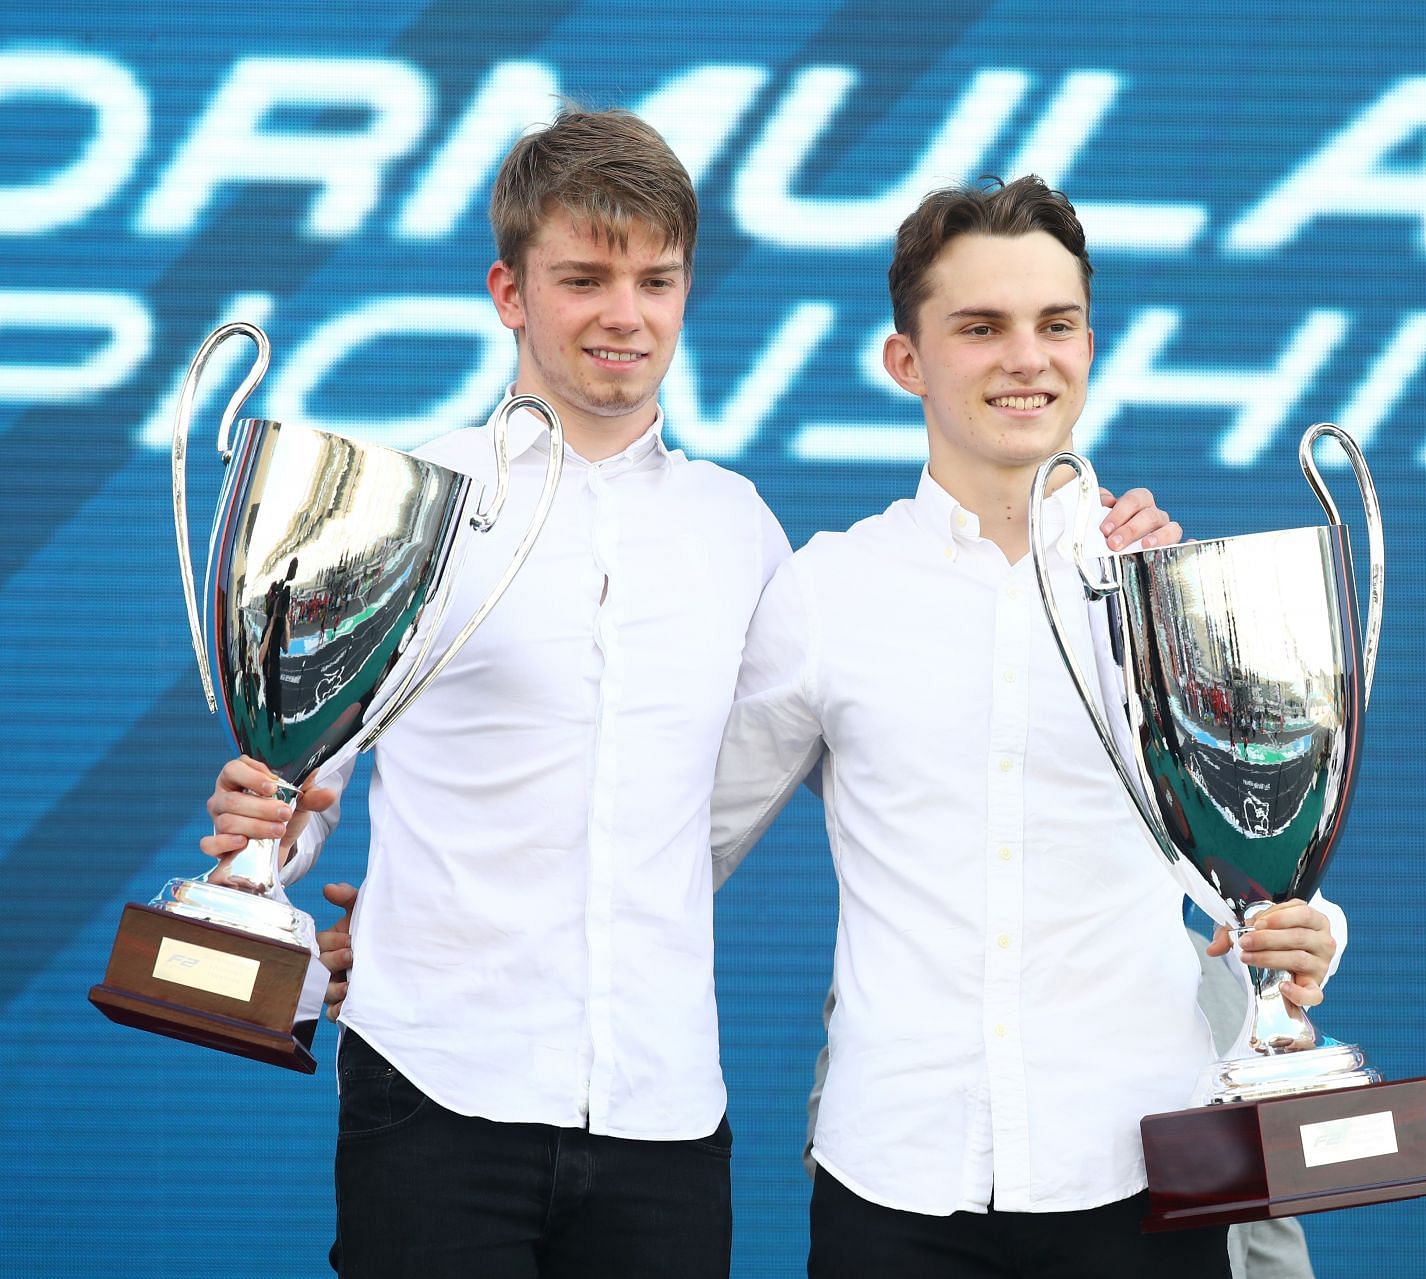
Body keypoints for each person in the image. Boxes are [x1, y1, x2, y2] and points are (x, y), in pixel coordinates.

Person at [201, 111, 1179, 1279]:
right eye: (585, 279)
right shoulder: (410, 501)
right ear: (509, 292)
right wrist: (272, 849)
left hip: (664, 1122)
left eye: (656, 279)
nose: (626, 313)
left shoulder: (745, 535)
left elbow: (709, 816)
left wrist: (1109, 556)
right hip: (434, 1084)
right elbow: (310, 763)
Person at [705, 176, 1347, 1278]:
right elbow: (677, 844)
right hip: (897, 1179)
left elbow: (1251, 870)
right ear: (907, 360)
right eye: (981, 327)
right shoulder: (827, 592)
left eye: (1056, 326)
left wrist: (1309, 929)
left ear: (1090, 345)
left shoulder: (1170, 593)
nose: (1026, 358)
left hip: (1150, 1172)